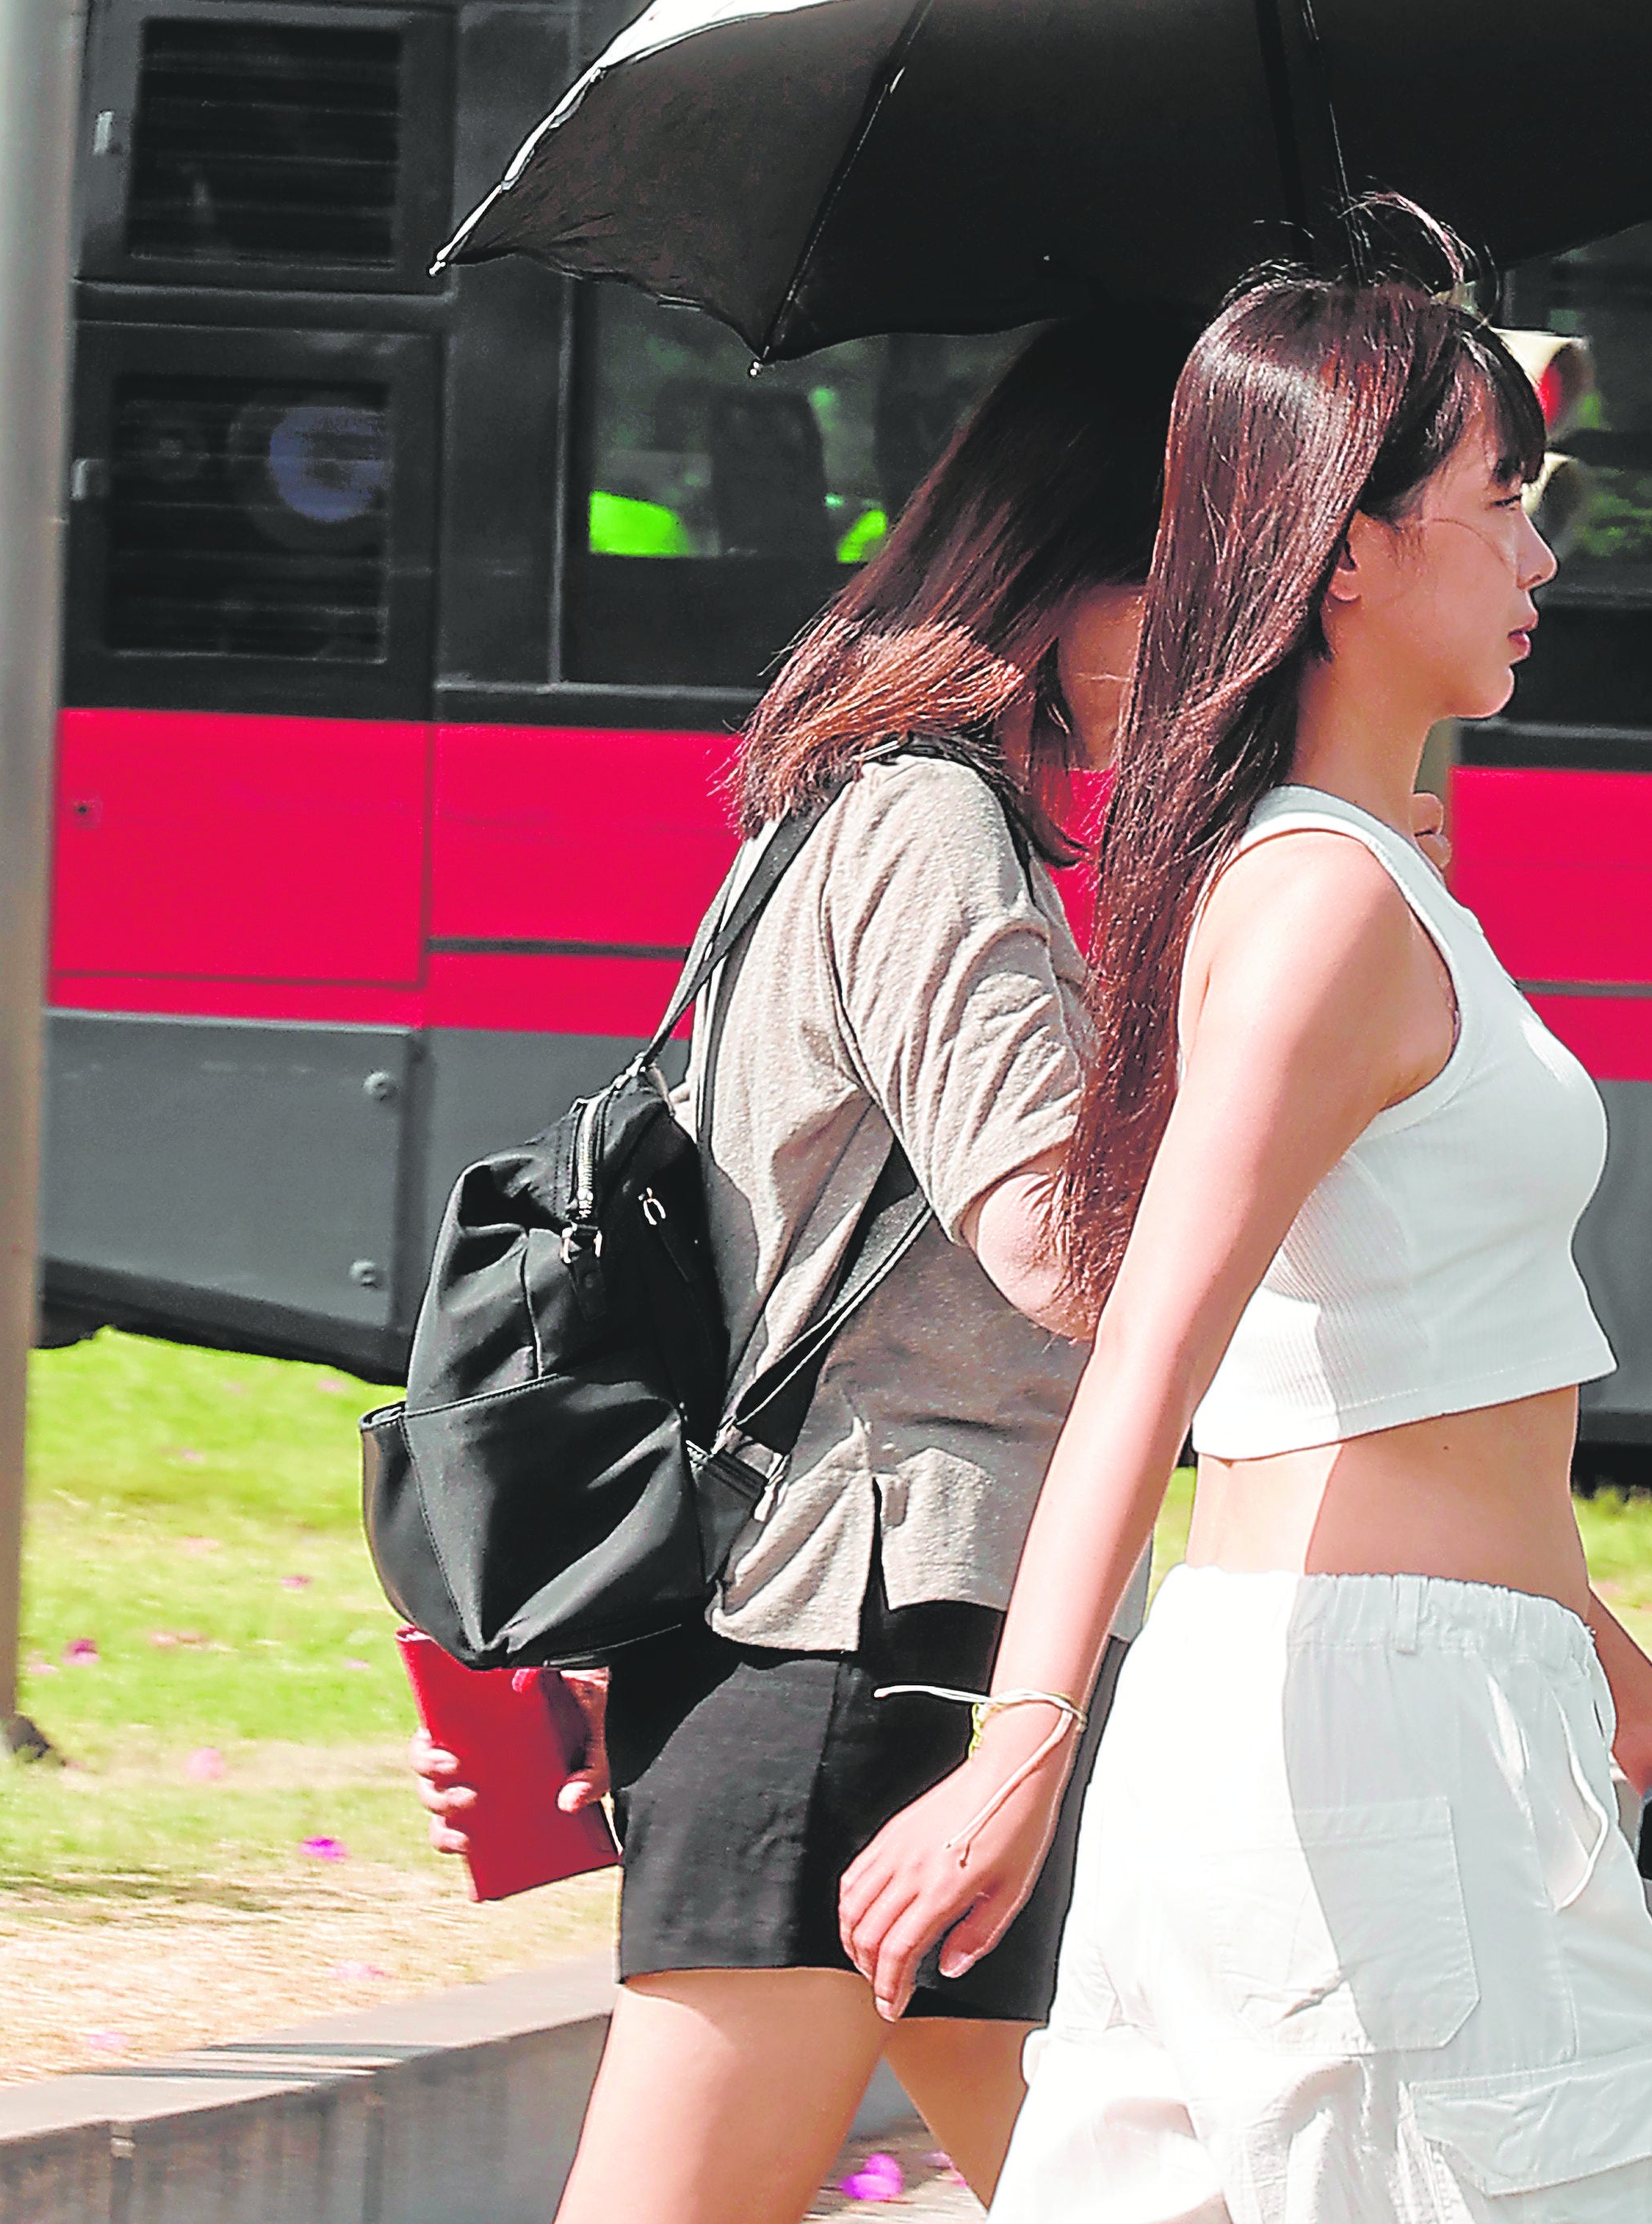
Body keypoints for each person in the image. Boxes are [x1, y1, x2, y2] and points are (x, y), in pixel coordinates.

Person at [839, 222, 1652, 2224]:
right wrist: (1020, 1748)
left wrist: (1625, 1688)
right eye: (1501, 505)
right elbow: (1155, 1363)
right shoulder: (1324, 910)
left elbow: (1377, 1372)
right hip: (1379, 1741)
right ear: (1346, 555)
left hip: (1420, 1703)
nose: (1541, 556)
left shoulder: (1348, 884)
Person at [414, 311, 1194, 2224]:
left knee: (1142, 2188)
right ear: (1073, 574)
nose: (1217, 656)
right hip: (882, 1630)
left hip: (864, 1624)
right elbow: (1052, 1243)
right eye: (1193, 593)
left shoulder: (857, 811)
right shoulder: (928, 824)